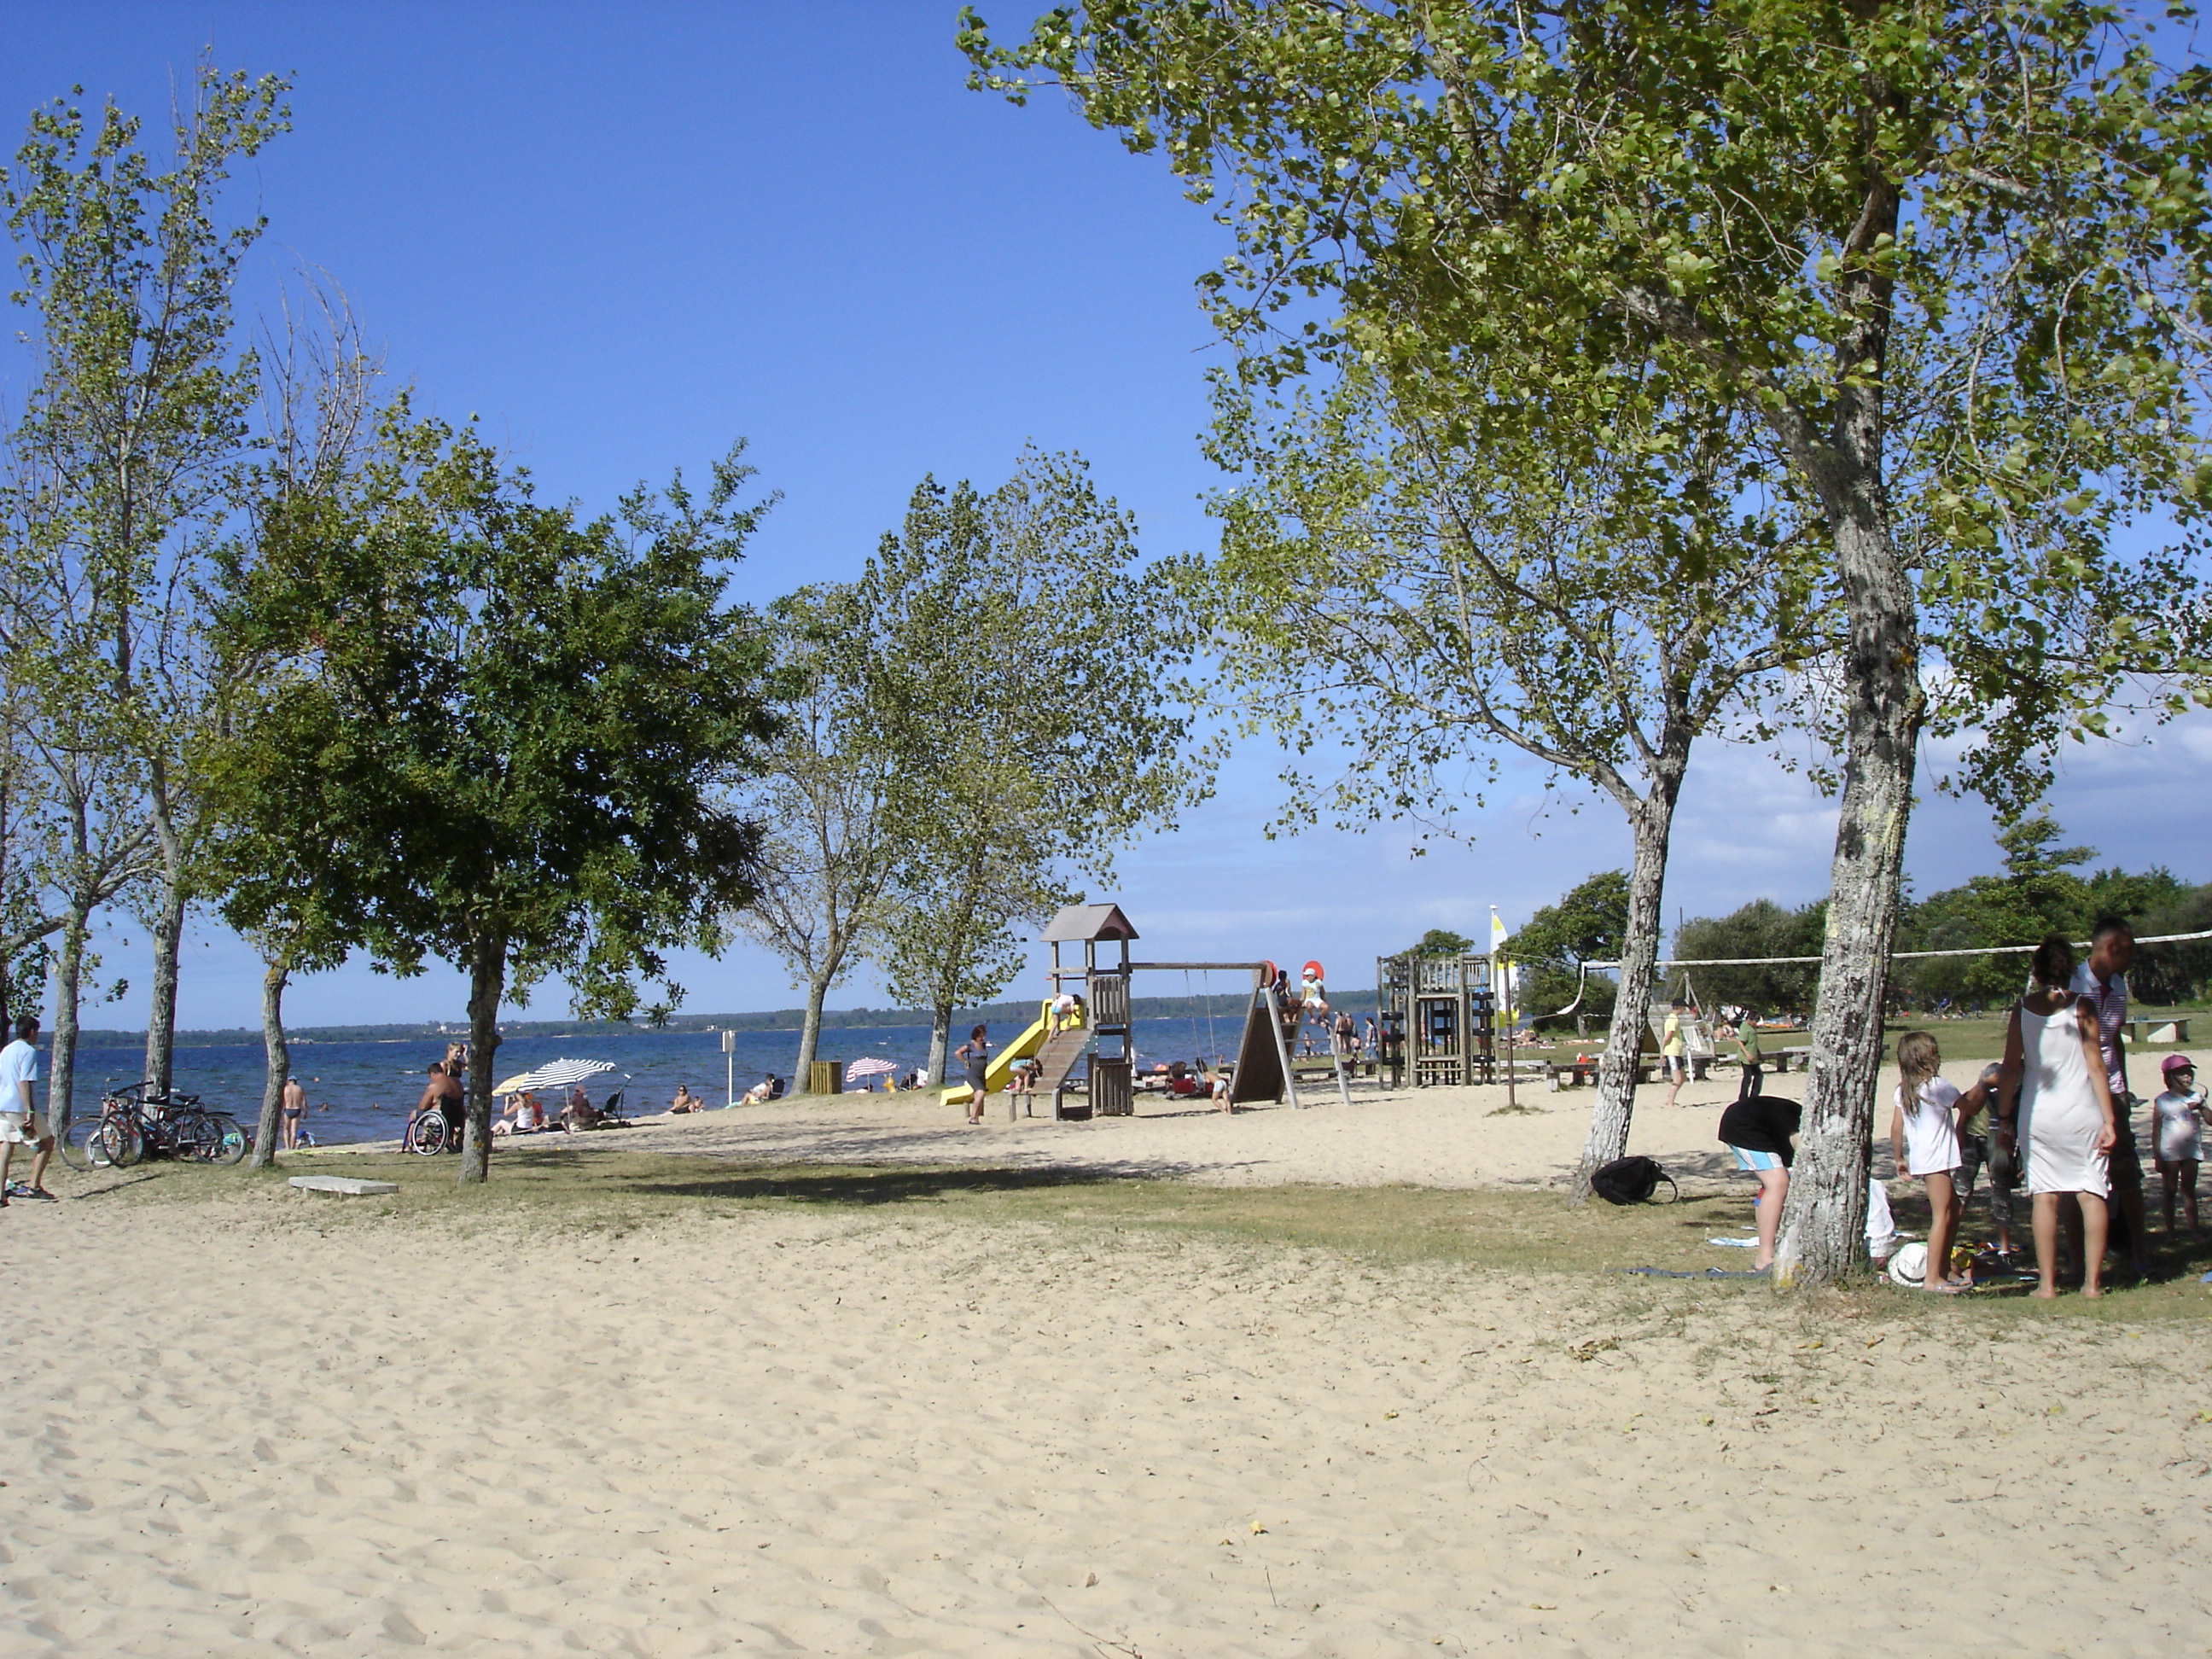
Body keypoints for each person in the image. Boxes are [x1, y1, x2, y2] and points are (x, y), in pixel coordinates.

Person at [2002, 934, 2120, 1299]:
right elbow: (2096, 1065)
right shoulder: (2083, 1007)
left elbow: (2011, 1068)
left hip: (2039, 1113)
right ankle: (2092, 1284)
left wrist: (2004, 1115)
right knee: (2091, 1191)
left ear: (2036, 972)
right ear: (2071, 971)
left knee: (2045, 1195)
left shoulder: (2023, 1009)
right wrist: (2110, 1119)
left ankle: (2047, 1284)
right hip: (2082, 1109)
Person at [2070, 917, 2149, 1278]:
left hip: (2113, 1090)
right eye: (2128, 950)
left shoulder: (2117, 985)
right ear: (2110, 948)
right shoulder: (2072, 984)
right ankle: (2078, 1258)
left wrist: (2123, 1086)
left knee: (2127, 1173)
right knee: (2079, 1177)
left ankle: (2138, 1249)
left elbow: (2114, 1038)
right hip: (2078, 1090)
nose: (2131, 958)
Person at [1887, 1030, 1988, 1293]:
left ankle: (1944, 1270)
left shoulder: (1905, 1090)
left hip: (1923, 1156)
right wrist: (1984, 1084)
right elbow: (1970, 1107)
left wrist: (1899, 1157)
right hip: (1936, 1159)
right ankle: (1933, 1278)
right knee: (1942, 1215)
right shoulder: (1938, 1086)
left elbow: (1896, 1128)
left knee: (1952, 1210)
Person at [1718, 1087, 1798, 1272]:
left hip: (1761, 1124)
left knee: (1775, 1183)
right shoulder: (1810, 1132)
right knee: (1778, 1183)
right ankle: (1764, 1257)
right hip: (1744, 1124)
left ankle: (1773, 1245)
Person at [1954, 1062, 2018, 1259]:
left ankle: (2005, 1249)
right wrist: (1961, 1144)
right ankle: (1949, 1238)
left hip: (1996, 1145)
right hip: (1974, 1142)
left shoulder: (2008, 1098)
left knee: (2000, 1194)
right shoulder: (1976, 1094)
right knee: (1961, 1192)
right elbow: (1962, 1121)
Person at [0, 1014, 53, 1207]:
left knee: (6, 1145)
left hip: (3, 1104)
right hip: (19, 1105)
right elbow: (24, 1082)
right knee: (47, 1141)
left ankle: (1, 1195)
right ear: (32, 1032)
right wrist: (30, 1110)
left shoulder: (6, 1051)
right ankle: (34, 1186)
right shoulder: (28, 1051)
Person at [2153, 1055, 2207, 1237]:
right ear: (2169, 1077)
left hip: (2191, 1150)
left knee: (2189, 1191)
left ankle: (2194, 1230)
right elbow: (2156, 1130)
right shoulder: (2162, 1100)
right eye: (2182, 1074)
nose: (2188, 1077)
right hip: (2169, 1152)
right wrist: (2158, 1156)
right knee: (2169, 1190)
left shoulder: (2196, 1097)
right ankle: (2171, 1232)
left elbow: (2210, 1120)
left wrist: (2202, 1107)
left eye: (2190, 1073)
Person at [409, 1062, 464, 1147]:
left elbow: (422, 1107)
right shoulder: (457, 1083)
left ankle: (408, 1144)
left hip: (440, 1117)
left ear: (432, 1074)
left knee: (414, 1114)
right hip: (457, 1117)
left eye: (430, 1077)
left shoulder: (435, 1085)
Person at [955, 1024, 991, 1126]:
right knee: (980, 1093)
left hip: (981, 1074)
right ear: (976, 1035)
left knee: (978, 1095)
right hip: (973, 1074)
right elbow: (958, 1053)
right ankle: (973, 1117)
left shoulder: (983, 1045)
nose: (982, 1038)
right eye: (981, 1036)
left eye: (984, 1036)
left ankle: (976, 1117)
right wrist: (966, 1062)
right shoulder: (970, 1045)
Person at [1731, 1011, 1765, 1103]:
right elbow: (1740, 1042)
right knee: (1748, 1078)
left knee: (1759, 1076)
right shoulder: (1745, 1028)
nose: (1756, 1023)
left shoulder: (1752, 1028)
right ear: (1749, 1020)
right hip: (1746, 1058)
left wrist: (1758, 1053)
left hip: (1754, 1057)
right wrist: (1747, 1054)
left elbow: (1753, 1043)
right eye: (1755, 1021)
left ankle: (1754, 1096)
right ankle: (1743, 1098)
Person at [1662, 998, 1690, 1108]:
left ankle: (1669, 1098)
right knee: (1677, 1078)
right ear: (1679, 1007)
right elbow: (1668, 1036)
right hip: (1672, 1051)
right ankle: (1670, 1102)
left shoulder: (1674, 1019)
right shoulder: (1673, 1020)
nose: (1684, 1010)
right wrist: (1663, 1051)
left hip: (1677, 1052)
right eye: (1683, 1007)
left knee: (1683, 1078)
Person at [281, 1074, 308, 1150]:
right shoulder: (299, 1089)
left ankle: (287, 1146)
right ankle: (292, 1147)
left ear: (289, 1081)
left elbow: (282, 1101)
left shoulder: (285, 1089)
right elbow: (304, 1101)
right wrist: (306, 1112)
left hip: (288, 1109)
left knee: (286, 1129)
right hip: (296, 1110)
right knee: (294, 1131)